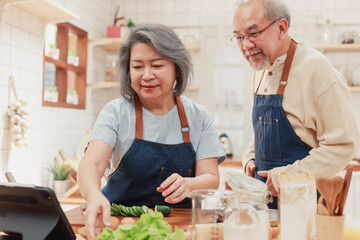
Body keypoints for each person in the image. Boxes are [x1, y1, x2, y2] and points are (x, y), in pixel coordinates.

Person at [78, 23, 226, 239]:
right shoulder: (116, 112)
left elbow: (211, 177)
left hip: (179, 229)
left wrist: (189, 183)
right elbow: (91, 163)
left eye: (157, 66)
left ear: (176, 68)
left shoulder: (198, 116)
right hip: (119, 226)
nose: (146, 75)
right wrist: (93, 196)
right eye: (137, 67)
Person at [232, 0, 360, 209]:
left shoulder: (316, 69)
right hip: (263, 206)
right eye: (239, 37)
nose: (246, 45)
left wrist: (288, 177)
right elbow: (260, 132)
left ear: (281, 28)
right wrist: (249, 157)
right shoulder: (261, 69)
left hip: (304, 207)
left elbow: (342, 145)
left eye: (253, 34)